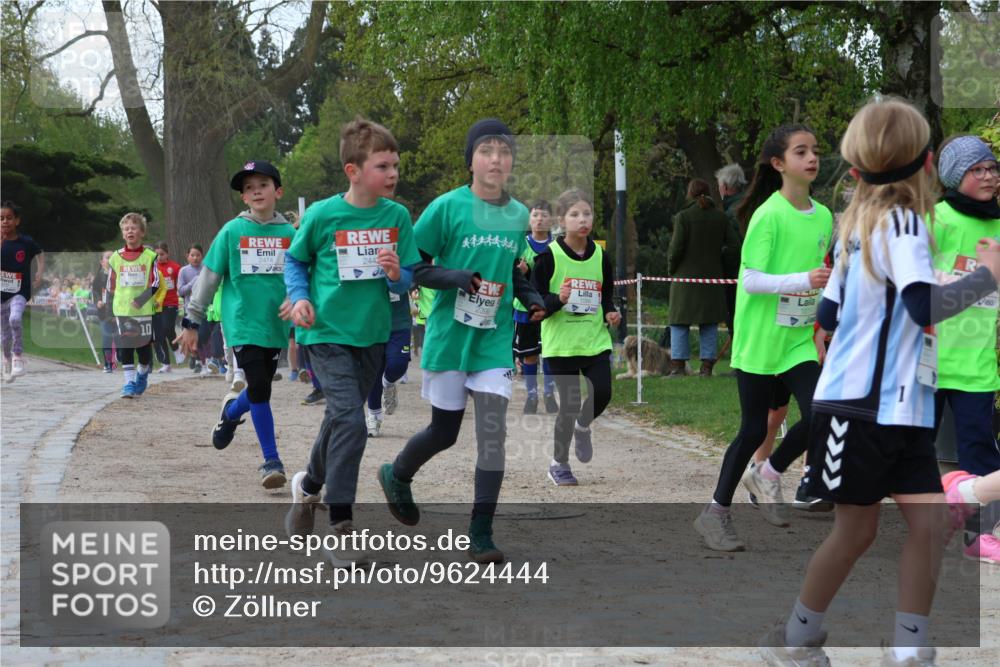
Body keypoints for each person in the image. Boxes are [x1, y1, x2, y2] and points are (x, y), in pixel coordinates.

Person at [761, 98, 1000, 667]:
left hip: (902, 410)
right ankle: (798, 640)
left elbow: (829, 311)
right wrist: (988, 276)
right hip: (860, 411)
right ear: (925, 162)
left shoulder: (859, 222)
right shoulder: (904, 224)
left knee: (929, 523)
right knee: (854, 533)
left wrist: (845, 331)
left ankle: (911, 649)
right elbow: (922, 306)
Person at [377, 118, 545, 564]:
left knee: (493, 436)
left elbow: (510, 270)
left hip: (493, 338)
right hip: (451, 336)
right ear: (471, 159)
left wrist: (531, 300)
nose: (496, 159)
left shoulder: (517, 214)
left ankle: (481, 533)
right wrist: (459, 279)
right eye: (487, 150)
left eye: (504, 151)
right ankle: (397, 473)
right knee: (444, 432)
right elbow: (415, 268)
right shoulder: (445, 208)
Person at [281, 118, 420, 564]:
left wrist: (399, 275)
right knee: (352, 422)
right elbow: (295, 261)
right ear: (353, 170)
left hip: (372, 335)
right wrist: (300, 298)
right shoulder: (323, 214)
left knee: (341, 421)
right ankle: (340, 525)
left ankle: (307, 488)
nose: (394, 173)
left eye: (396, 164)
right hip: (324, 334)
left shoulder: (397, 217)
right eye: (383, 165)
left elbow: (410, 275)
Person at [694, 124, 833, 551]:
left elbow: (823, 279)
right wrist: (802, 279)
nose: (811, 158)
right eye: (800, 152)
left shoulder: (825, 216)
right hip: (759, 338)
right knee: (753, 429)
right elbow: (750, 280)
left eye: (814, 151)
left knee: (822, 415)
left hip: (797, 339)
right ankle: (715, 514)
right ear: (778, 164)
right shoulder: (767, 214)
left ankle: (768, 472)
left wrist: (824, 322)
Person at [176, 160, 295, 489]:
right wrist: (192, 321)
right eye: (248, 188)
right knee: (258, 385)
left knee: (261, 388)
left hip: (275, 326)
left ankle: (230, 414)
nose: (255, 191)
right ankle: (271, 460)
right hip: (241, 322)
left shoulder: (290, 234)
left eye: (262, 185)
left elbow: (300, 275)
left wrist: (297, 298)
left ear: (278, 191)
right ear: (243, 197)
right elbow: (209, 278)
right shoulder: (232, 231)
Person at [532, 189, 620, 486]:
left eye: (587, 214)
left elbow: (605, 291)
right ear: (562, 220)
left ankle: (584, 427)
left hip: (593, 339)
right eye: (575, 215)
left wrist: (610, 311)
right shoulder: (548, 257)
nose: (583, 220)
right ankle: (559, 463)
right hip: (561, 343)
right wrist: (558, 298)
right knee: (568, 405)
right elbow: (536, 301)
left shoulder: (601, 255)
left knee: (603, 392)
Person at [666, 178, 740, 377]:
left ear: (689, 194)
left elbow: (676, 248)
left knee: (679, 321)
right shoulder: (721, 218)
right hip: (713, 278)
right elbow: (734, 247)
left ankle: (678, 366)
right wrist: (720, 263)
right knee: (709, 322)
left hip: (684, 278)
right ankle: (707, 367)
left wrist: (672, 269)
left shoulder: (683, 217)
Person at [514, 199, 559, 413]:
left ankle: (549, 393)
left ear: (552, 220)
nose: (539, 219)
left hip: (550, 309)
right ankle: (531, 395)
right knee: (529, 353)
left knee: (549, 352)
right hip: (524, 309)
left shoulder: (558, 247)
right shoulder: (519, 245)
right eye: (535, 215)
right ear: (529, 219)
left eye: (544, 215)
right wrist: (520, 272)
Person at [107, 213, 159, 398]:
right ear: (123, 234)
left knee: (144, 352)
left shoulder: (150, 256)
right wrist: (108, 309)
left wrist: (140, 300)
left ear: (142, 232)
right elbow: (110, 285)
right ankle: (129, 383)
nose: (130, 231)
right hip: (123, 310)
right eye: (126, 228)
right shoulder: (115, 257)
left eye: (134, 228)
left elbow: (155, 283)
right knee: (126, 347)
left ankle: (143, 373)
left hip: (144, 310)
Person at [1, 201, 45, 380]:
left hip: (19, 291)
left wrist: (39, 272)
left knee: (15, 318)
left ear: (17, 221)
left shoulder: (25, 242)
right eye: (1, 219)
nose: (5, 222)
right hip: (1, 295)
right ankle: (6, 359)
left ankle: (18, 355)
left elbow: (40, 252)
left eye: (9, 218)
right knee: (3, 336)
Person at [366, 287, 414, 437]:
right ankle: (374, 416)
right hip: (371, 321)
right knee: (373, 370)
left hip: (399, 321)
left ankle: (388, 384)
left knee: (398, 365)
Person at [152, 241, 183, 373]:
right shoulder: (152, 268)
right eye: (157, 254)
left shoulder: (175, 268)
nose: (159, 257)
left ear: (167, 254)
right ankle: (166, 364)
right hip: (156, 304)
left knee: (167, 329)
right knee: (160, 333)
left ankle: (176, 350)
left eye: (162, 254)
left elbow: (179, 285)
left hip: (171, 303)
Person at [177, 244, 205, 371]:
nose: (195, 258)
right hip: (188, 309)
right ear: (187, 256)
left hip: (205, 308)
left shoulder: (206, 269)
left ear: (202, 256)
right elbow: (180, 291)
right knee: (190, 334)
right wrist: (193, 282)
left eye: (198, 255)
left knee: (202, 334)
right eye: (192, 255)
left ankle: (200, 360)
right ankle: (194, 358)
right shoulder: (183, 271)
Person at [93, 251, 116, 372]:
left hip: (118, 312)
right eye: (108, 257)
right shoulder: (99, 276)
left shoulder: (120, 275)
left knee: (119, 338)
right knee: (107, 338)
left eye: (113, 257)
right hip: (104, 312)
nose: (111, 259)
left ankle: (119, 357)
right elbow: (95, 291)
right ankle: (108, 364)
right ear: (102, 262)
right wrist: (98, 301)